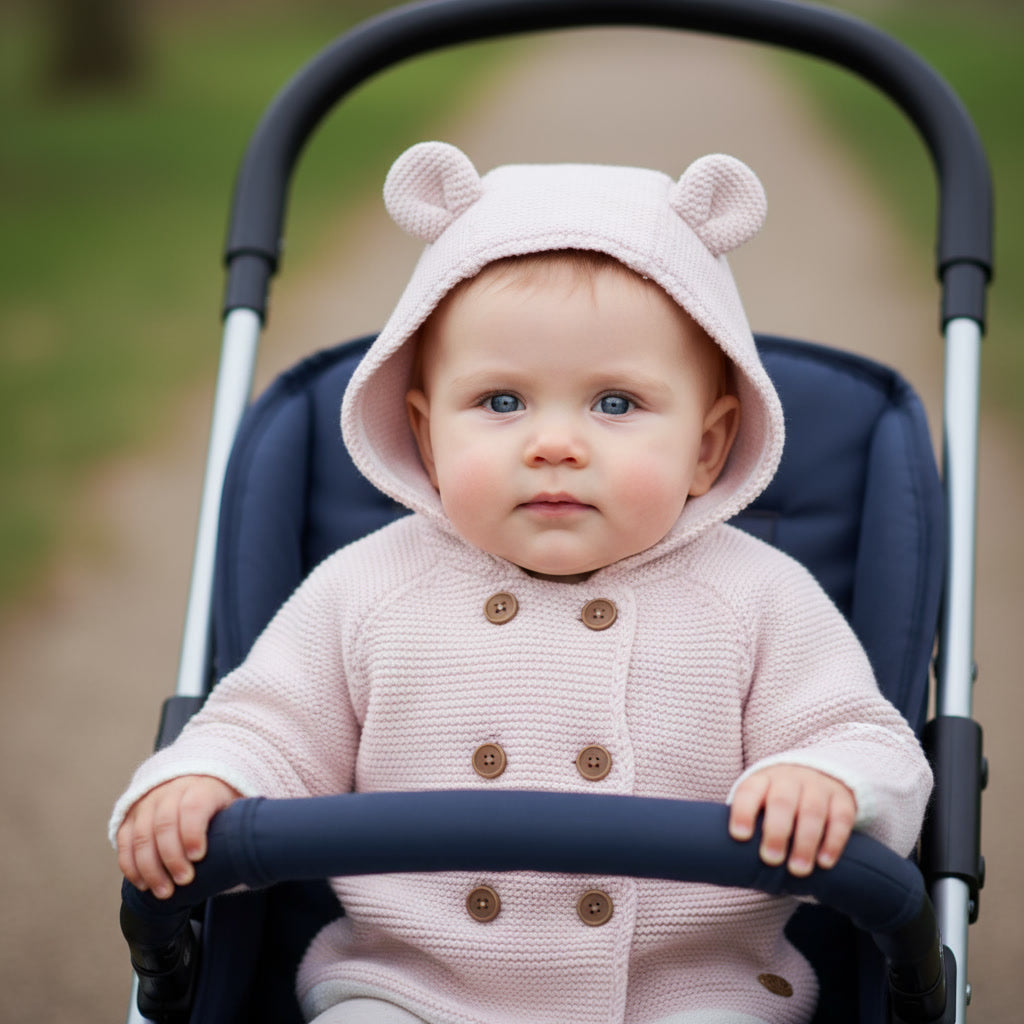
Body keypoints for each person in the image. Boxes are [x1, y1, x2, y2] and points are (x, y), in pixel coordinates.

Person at [111, 142, 932, 1024]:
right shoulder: (368, 587)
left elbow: (862, 735)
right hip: (411, 987)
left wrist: (825, 779)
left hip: (686, 991)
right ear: (427, 437)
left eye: (615, 403)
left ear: (706, 446)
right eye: (501, 402)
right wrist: (206, 782)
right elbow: (270, 724)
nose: (554, 444)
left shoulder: (757, 595)